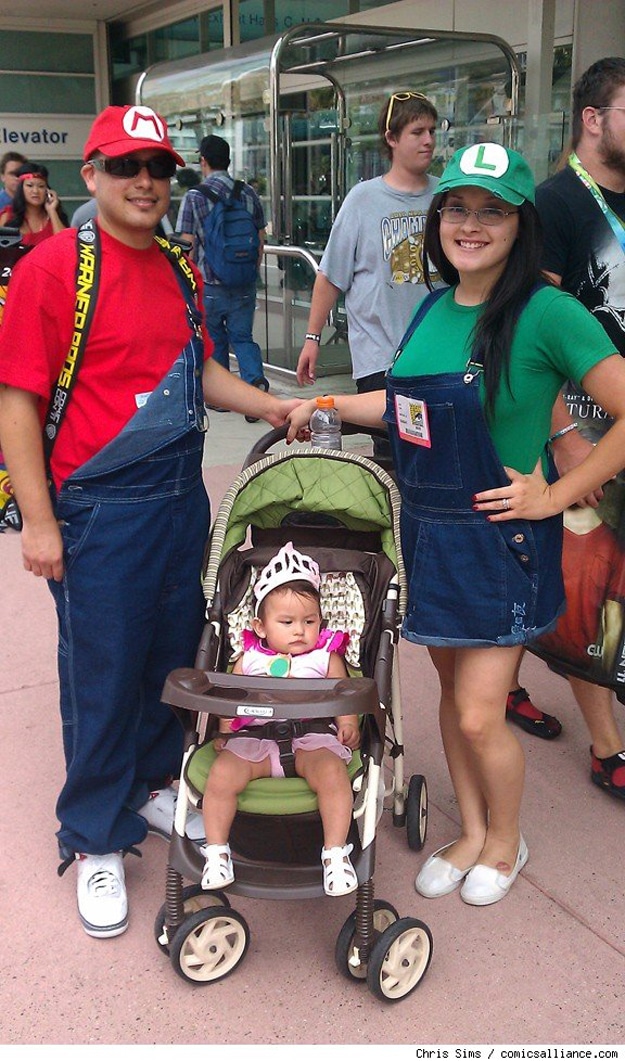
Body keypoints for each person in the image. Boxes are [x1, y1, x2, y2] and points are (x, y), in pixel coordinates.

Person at [287, 142, 625, 906]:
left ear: (520, 224)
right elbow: (401, 408)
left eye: (491, 211)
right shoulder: (434, 307)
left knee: (478, 715)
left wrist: (556, 492)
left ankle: (506, 839)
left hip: (500, 541)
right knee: (448, 694)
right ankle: (469, 830)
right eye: (457, 208)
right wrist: (325, 404)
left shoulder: (546, 312)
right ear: (437, 219)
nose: (470, 224)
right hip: (428, 530)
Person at [0, 104, 300, 940]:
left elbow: (197, 370)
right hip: (97, 511)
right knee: (102, 674)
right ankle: (96, 834)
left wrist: (272, 404)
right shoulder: (50, 269)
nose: (144, 181)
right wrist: (38, 521)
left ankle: (154, 783)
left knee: (172, 660)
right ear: (90, 174)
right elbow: (16, 402)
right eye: (125, 165)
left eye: (158, 167)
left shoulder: (178, 265)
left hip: (176, 500)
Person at [510, 56, 625, 800]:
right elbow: (529, 329)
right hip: (581, 424)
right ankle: (606, 744)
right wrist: (562, 436)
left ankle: (505, 669)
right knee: (592, 582)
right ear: (592, 118)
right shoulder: (554, 205)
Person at [200, 542, 360, 896]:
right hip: (254, 740)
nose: (299, 631)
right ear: (260, 626)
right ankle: (217, 852)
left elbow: (345, 694)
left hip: (311, 739)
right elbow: (231, 700)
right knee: (221, 776)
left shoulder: (326, 657)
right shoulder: (248, 660)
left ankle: (335, 853)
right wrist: (225, 730)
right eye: (286, 622)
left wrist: (348, 723)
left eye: (309, 621)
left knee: (333, 775)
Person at [295, 90, 439, 460]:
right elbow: (331, 276)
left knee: (435, 456)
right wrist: (312, 338)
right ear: (391, 138)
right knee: (395, 457)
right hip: (382, 360)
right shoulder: (363, 199)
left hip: (438, 356)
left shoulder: (445, 196)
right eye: (417, 132)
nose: (428, 140)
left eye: (432, 131)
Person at [177, 133, 268, 421]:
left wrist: (187, 285)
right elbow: (260, 238)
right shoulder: (248, 192)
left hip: (210, 284)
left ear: (203, 161)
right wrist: (250, 271)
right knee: (242, 337)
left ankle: (221, 399)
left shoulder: (194, 196)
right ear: (228, 160)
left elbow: (187, 245)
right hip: (244, 282)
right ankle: (255, 384)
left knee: (214, 338)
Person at [0, 162, 68, 244]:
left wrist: (52, 211)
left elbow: (65, 243)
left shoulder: (56, 215)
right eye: (30, 185)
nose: (35, 191)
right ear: (21, 189)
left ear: (47, 190)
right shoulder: (8, 216)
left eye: (41, 186)